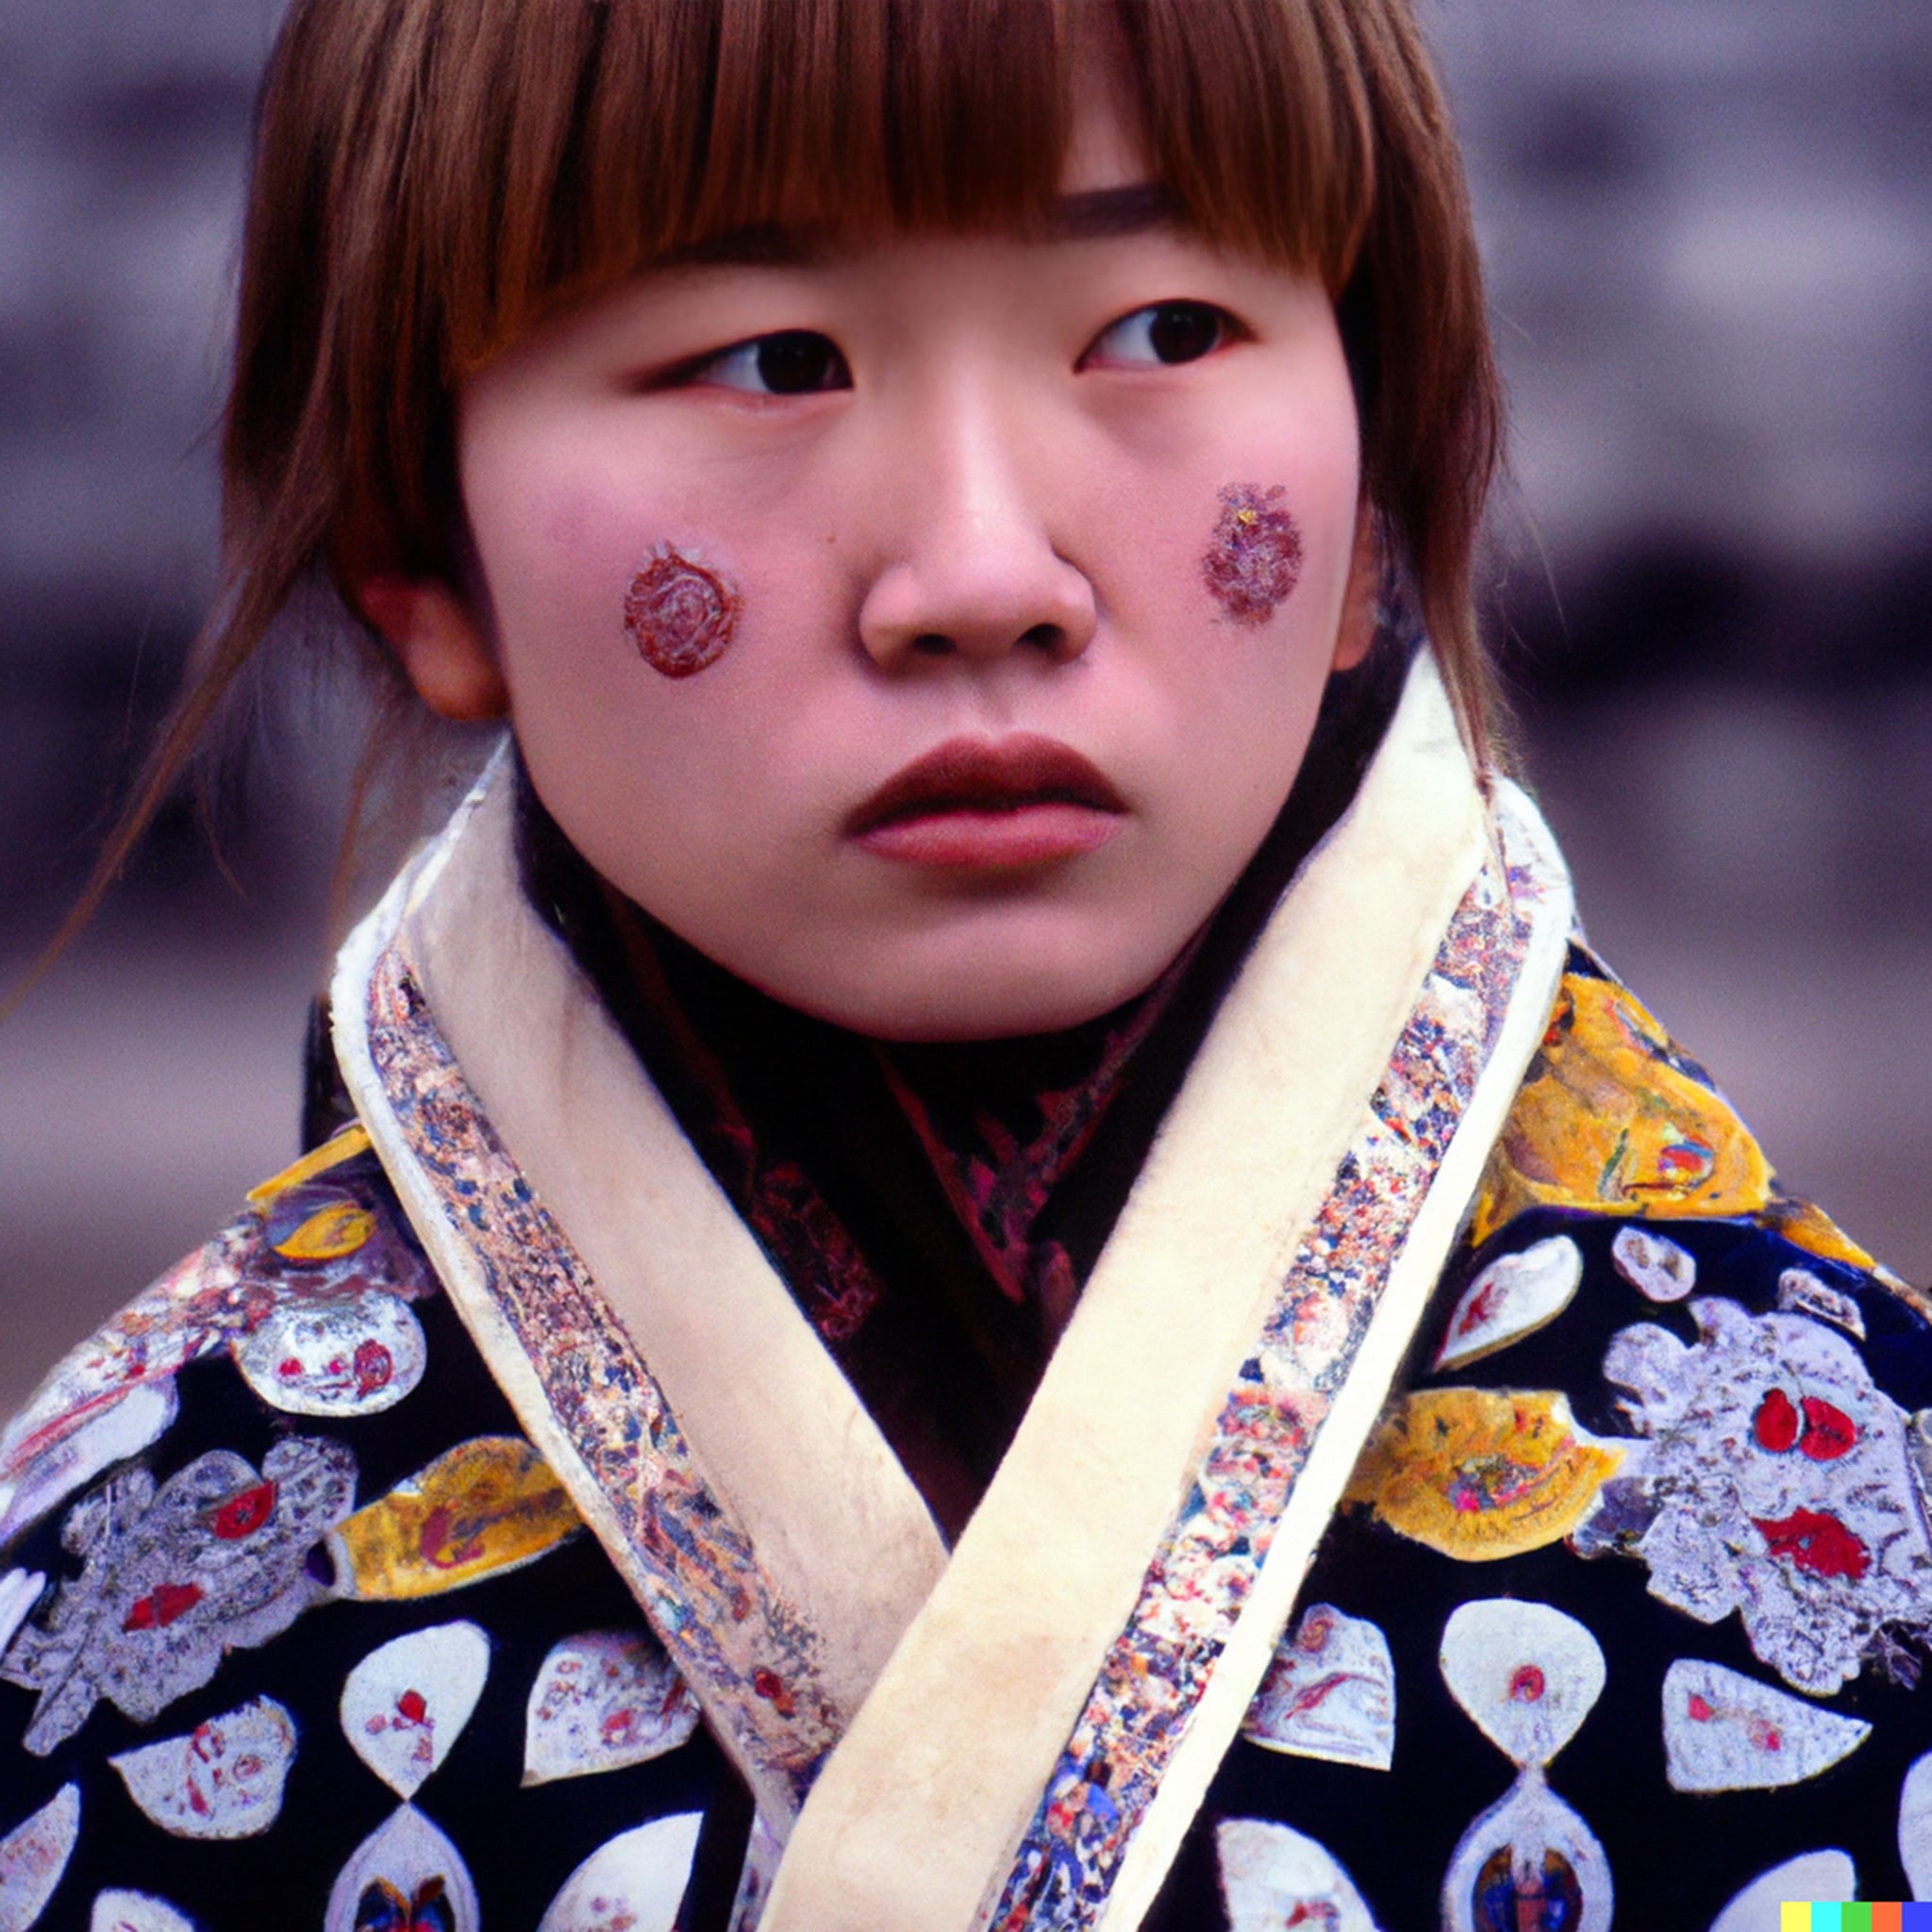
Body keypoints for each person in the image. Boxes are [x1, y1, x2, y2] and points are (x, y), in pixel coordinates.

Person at [0, 2, 1924, 1926]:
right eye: (771, 361)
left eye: (1160, 332)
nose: (985, 575)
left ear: (1374, 490)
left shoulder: (1854, 1558)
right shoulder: (111, 1631)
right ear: (417, 555)